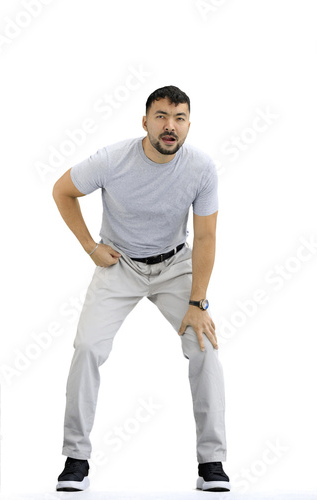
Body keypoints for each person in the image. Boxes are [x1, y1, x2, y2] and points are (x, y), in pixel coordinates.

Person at [52, 85, 230, 492]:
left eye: (179, 118)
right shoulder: (112, 160)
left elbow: (205, 239)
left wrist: (198, 302)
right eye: (162, 116)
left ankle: (212, 463)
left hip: (174, 265)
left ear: (188, 125)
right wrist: (91, 246)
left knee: (204, 347)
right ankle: (75, 457)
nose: (171, 126)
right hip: (120, 264)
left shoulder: (201, 167)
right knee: (88, 348)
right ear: (145, 121)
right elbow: (62, 191)